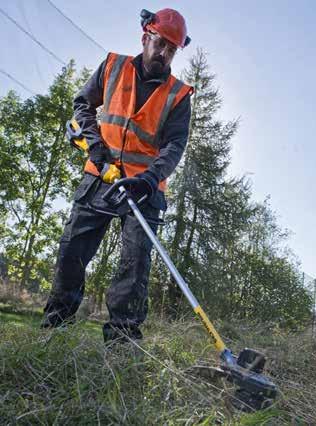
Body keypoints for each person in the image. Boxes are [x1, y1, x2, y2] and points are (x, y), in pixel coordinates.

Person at [41, 8, 193, 344]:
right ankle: (54, 334)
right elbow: (82, 105)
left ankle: (122, 348)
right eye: (161, 43)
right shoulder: (112, 66)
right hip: (100, 177)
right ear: (146, 37)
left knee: (134, 266)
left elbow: (174, 146)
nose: (165, 52)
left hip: (144, 189)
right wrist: (96, 149)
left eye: (172, 49)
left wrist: (148, 180)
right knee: (71, 252)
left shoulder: (178, 96)